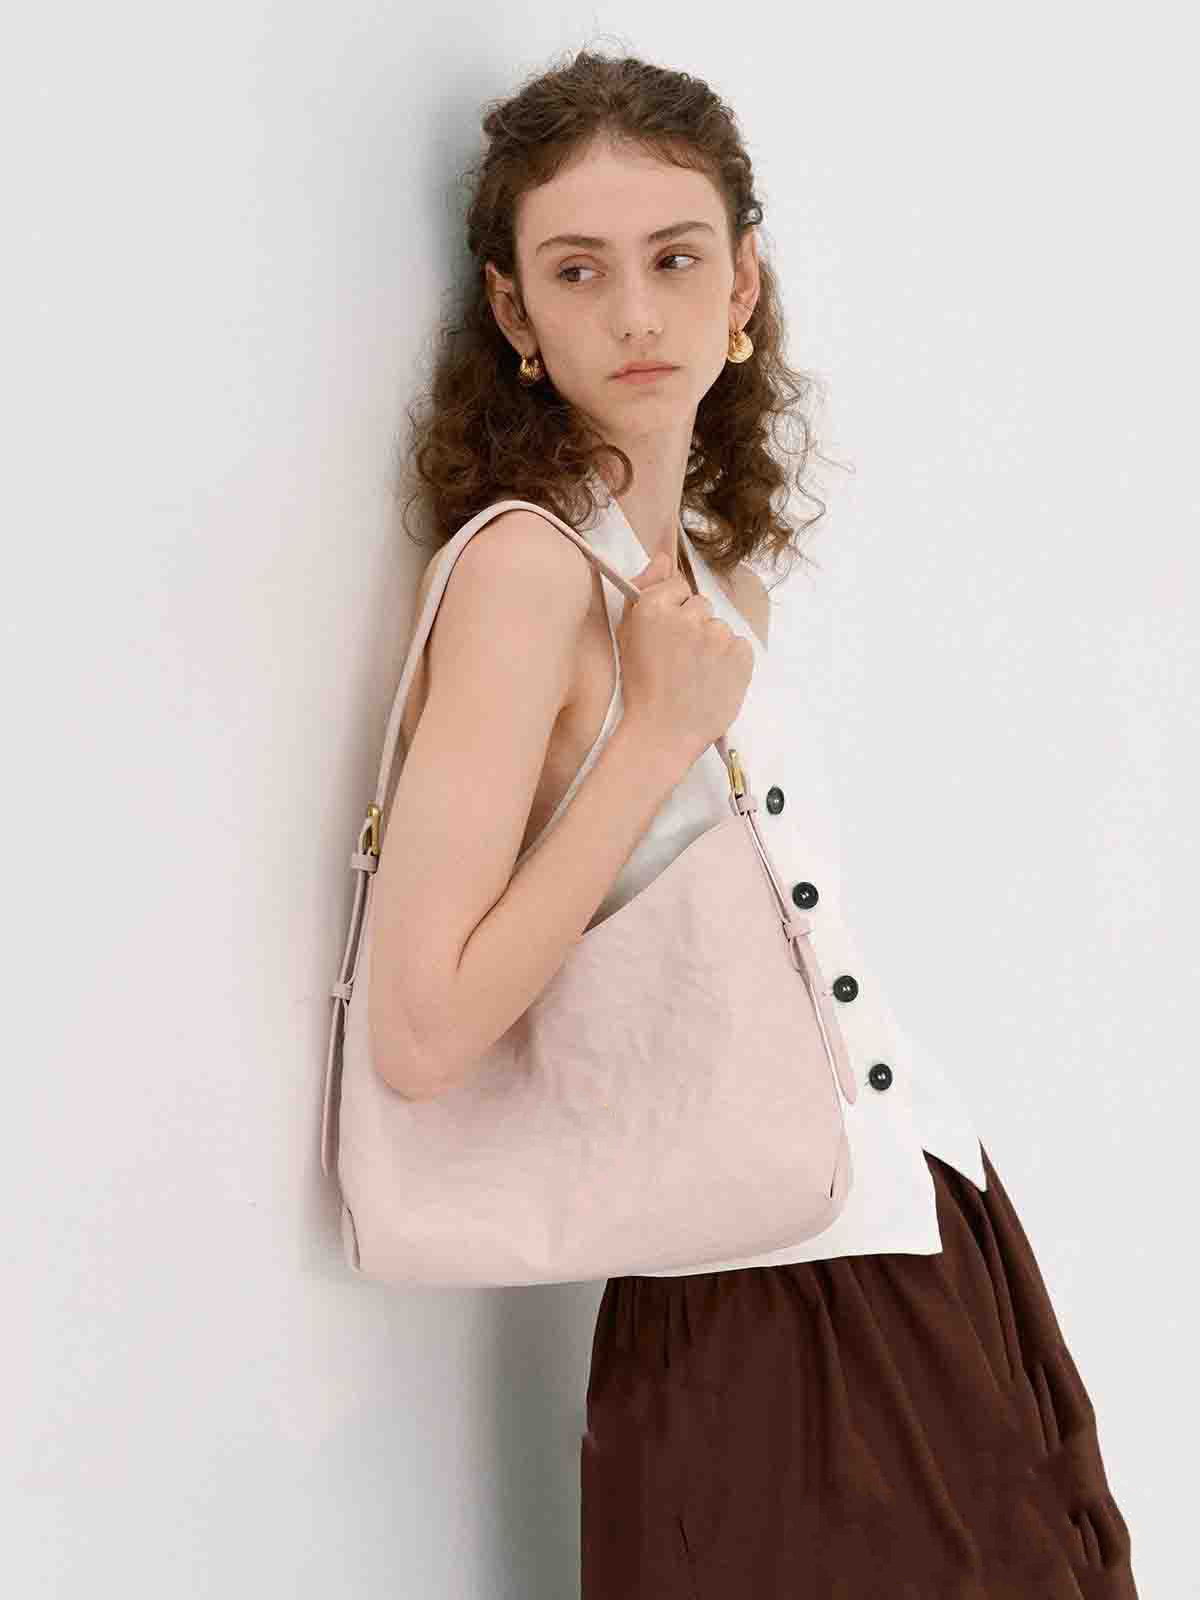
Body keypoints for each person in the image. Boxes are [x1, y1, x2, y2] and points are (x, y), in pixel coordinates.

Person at [376, 45, 1139, 1599]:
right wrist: (659, 734)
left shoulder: (722, 589)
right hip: (747, 1300)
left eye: (676, 258)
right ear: (514, 312)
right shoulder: (525, 576)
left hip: (929, 1236)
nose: (635, 313)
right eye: (577, 270)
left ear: (745, 284)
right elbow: (421, 1030)